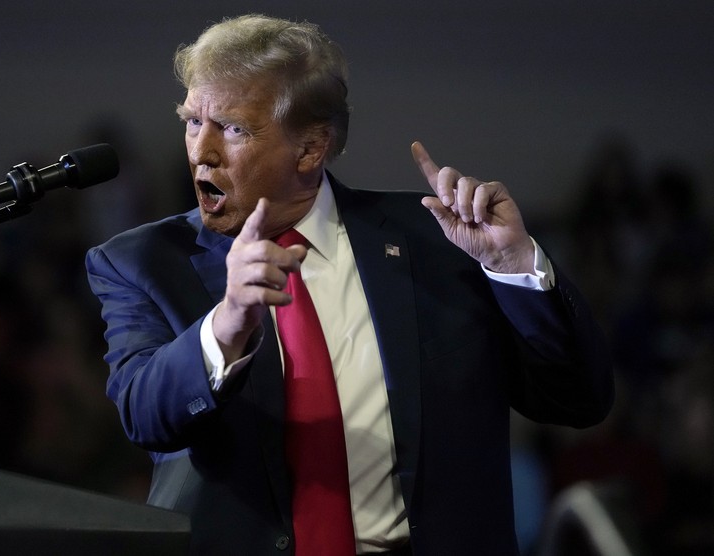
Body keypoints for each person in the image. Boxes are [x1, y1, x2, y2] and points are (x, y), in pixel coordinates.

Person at [85, 14, 614, 556]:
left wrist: (512, 263)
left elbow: (579, 400)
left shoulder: (442, 242)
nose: (202, 149)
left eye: (233, 127)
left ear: (311, 149)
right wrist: (225, 326)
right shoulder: (141, 261)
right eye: (193, 121)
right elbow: (145, 416)